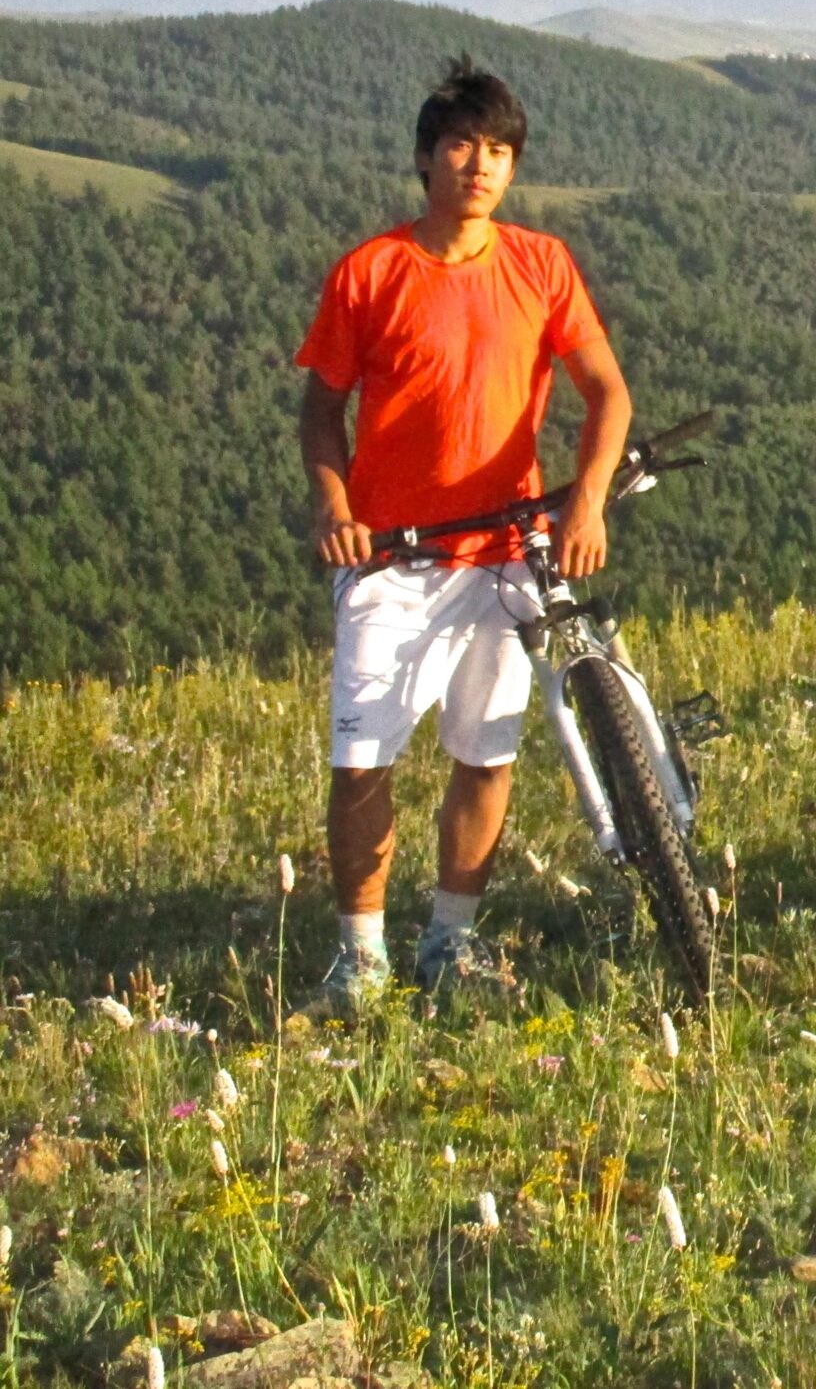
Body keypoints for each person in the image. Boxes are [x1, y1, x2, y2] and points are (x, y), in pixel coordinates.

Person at [294, 57, 631, 1012]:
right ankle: (360, 959)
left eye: (498, 151)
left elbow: (607, 393)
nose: (480, 166)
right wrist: (333, 503)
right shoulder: (371, 272)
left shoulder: (541, 263)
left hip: (505, 551)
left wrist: (589, 502)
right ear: (424, 158)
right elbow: (321, 410)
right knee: (363, 761)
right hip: (393, 559)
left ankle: (451, 942)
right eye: (461, 146)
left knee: (486, 754)